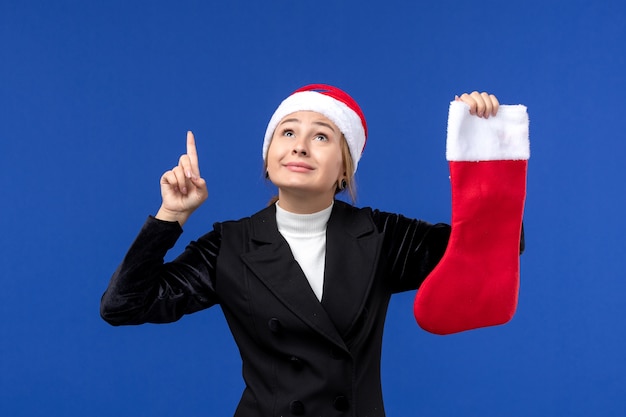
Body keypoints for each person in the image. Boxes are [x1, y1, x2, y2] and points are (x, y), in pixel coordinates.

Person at [101, 84, 507, 416]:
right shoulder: (230, 245)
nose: (300, 146)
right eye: (288, 132)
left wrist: (480, 146)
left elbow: (495, 243)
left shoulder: (380, 235)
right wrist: (170, 214)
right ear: (269, 154)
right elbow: (123, 305)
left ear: (345, 168)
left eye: (321, 136)